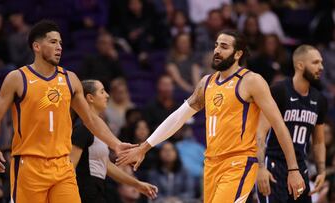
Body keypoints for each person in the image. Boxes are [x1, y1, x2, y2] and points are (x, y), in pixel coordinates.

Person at [116, 29, 305, 203]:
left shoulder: (251, 81)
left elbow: (279, 125)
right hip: (212, 164)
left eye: (224, 47)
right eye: (216, 45)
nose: (217, 50)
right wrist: (145, 147)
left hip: (239, 163)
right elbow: (178, 117)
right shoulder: (206, 83)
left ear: (238, 54)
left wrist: (293, 169)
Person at [0, 20, 135, 203]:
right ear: (37, 46)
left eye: (61, 43)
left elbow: (90, 119)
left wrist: (116, 144)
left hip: (63, 165)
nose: (59, 47)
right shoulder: (17, 78)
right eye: (53, 42)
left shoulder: (70, 79)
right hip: (29, 165)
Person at [256, 45, 327, 203]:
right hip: (274, 165)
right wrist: (260, 168)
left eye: (321, 62)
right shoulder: (279, 91)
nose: (321, 67)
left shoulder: (319, 100)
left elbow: (319, 141)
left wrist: (321, 170)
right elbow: (260, 132)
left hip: (301, 168)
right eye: (315, 62)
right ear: (300, 65)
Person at [70, 79, 157, 203]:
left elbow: (106, 165)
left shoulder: (99, 129)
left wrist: (137, 184)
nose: (107, 95)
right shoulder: (83, 128)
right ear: (90, 98)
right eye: (102, 92)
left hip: (97, 190)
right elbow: (70, 167)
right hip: (83, 192)